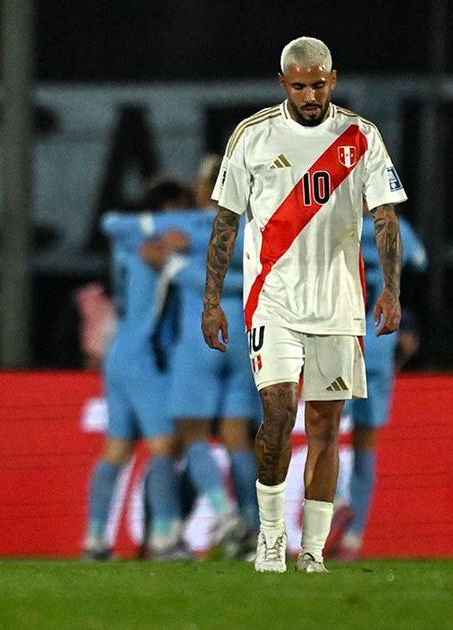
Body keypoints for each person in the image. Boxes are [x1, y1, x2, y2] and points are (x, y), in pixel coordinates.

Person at [202, 36, 408, 573]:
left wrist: (392, 289)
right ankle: (271, 535)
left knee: (325, 426)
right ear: (283, 84)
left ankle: (311, 550)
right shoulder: (252, 136)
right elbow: (225, 222)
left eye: (319, 84)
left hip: (340, 304)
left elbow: (386, 217)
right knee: (277, 412)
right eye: (300, 85)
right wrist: (211, 301)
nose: (310, 94)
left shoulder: (361, 137)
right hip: (273, 301)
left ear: (332, 80)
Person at [155, 156, 261, 557]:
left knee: (192, 432)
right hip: (244, 337)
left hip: (201, 337)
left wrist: (173, 264)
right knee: (238, 438)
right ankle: (255, 535)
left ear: (205, 189)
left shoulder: (190, 228)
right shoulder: (254, 228)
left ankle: (223, 515)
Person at [82, 180, 193, 561]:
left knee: (117, 448)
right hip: (145, 355)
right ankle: (164, 538)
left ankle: (95, 539)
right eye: (180, 209)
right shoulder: (159, 247)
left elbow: (114, 226)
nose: (186, 219)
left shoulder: (126, 243)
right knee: (163, 446)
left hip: (118, 353)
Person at [328, 209, 426, 560]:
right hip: (380, 351)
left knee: (329, 425)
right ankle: (354, 539)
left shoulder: (335, 220)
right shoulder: (394, 227)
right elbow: (419, 260)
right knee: (365, 444)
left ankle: (336, 497)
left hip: (343, 345)